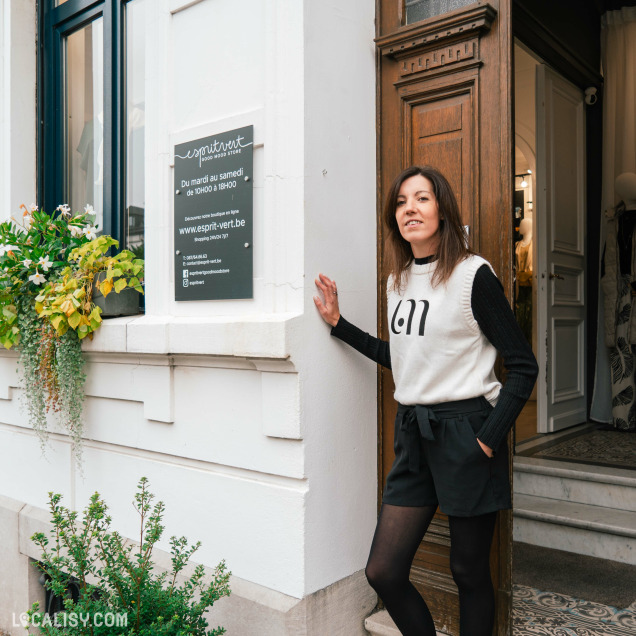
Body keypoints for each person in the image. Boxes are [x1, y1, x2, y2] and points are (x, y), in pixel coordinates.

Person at [313, 166, 538, 636]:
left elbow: (523, 366)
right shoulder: (397, 281)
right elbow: (401, 358)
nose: (410, 209)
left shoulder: (472, 275)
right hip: (415, 434)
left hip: (468, 432)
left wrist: (487, 441)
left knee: (469, 573)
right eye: (401, 202)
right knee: (384, 571)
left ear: (443, 209)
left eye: (422, 199)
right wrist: (339, 325)